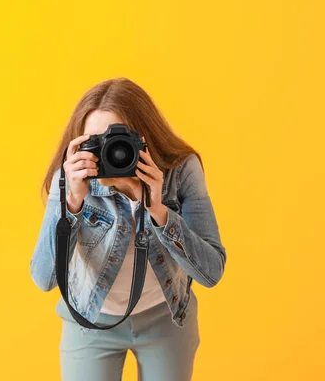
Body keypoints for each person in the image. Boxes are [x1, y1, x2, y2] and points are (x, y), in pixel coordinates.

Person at [30, 77, 227, 381]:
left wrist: (158, 210)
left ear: (146, 138)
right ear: (79, 144)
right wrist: (72, 203)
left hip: (165, 317)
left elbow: (211, 272)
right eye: (96, 144)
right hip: (90, 318)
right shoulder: (71, 178)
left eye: (119, 143)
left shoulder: (180, 170)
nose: (111, 154)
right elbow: (43, 278)